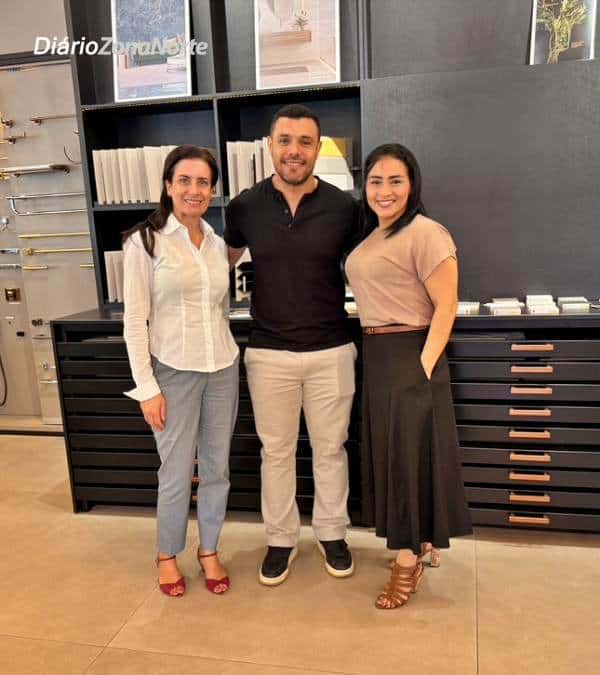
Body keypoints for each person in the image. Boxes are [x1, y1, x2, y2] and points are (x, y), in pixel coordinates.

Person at [224, 104, 360, 586]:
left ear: (318, 148)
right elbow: (220, 262)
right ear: (270, 145)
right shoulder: (244, 206)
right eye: (285, 140)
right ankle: (281, 539)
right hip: (269, 352)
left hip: (331, 350)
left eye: (305, 142)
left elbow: (370, 262)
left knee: (331, 449)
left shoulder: (345, 207)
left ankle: (331, 533)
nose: (294, 151)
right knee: (276, 452)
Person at [345, 143, 472, 609]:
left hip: (410, 353)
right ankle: (419, 541)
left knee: (408, 458)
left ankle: (405, 561)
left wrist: (423, 364)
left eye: (395, 180)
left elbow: (446, 305)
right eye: (375, 181)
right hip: (378, 355)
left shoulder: (426, 232)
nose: (384, 190)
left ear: (412, 184)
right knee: (397, 456)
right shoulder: (373, 236)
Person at [123, 146, 239, 597]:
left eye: (203, 182)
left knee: (216, 468)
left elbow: (219, 309)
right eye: (185, 180)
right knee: (174, 472)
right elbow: (134, 321)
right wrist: (147, 387)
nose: (194, 190)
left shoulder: (216, 243)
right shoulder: (145, 242)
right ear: (169, 185)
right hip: (172, 371)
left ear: (212, 190)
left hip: (222, 368)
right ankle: (167, 554)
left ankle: (208, 549)